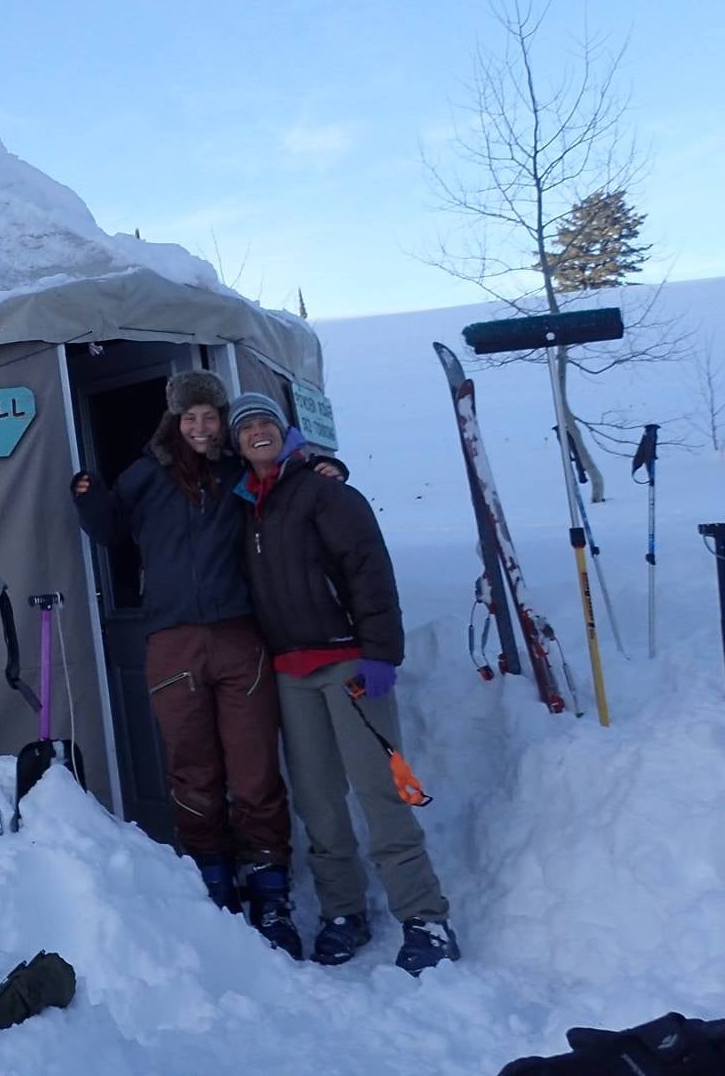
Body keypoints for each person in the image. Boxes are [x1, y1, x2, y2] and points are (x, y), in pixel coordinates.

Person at [226, 390, 460, 975]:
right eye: (246, 426)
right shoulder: (248, 504)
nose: (257, 432)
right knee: (317, 799)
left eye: (266, 423)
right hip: (290, 672)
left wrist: (381, 652)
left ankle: (425, 916)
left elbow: (370, 573)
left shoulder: (326, 492)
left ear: (285, 431)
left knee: (380, 792)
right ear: (235, 442)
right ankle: (342, 912)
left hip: (349, 663)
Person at [70, 369, 300, 958]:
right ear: (174, 419)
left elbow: (288, 482)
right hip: (172, 639)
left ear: (223, 420)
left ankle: (270, 886)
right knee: (192, 767)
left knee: (253, 769)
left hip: (237, 635)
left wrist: (327, 466)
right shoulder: (147, 475)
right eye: (189, 417)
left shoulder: (237, 473)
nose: (200, 427)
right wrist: (89, 498)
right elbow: (113, 531)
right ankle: (212, 877)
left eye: (210, 416)